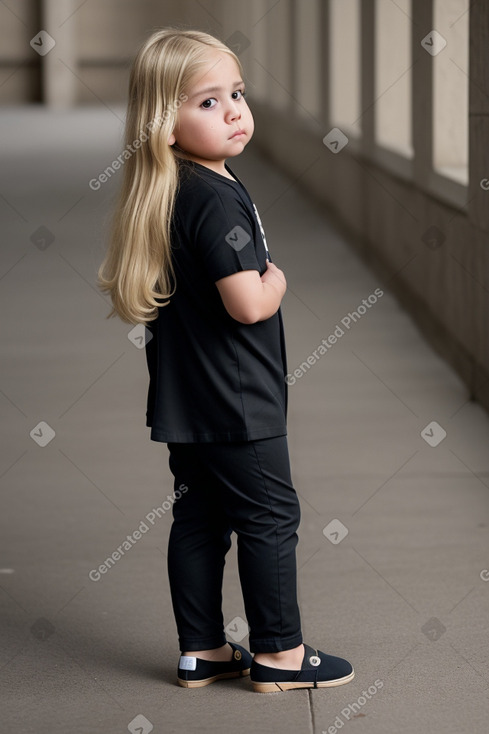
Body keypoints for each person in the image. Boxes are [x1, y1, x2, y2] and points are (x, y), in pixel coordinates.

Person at [98, 27, 354, 693]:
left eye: (235, 93)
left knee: (200, 518)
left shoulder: (173, 185)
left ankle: (203, 650)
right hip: (238, 400)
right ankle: (279, 655)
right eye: (206, 102)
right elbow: (246, 303)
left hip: (188, 397)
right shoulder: (213, 198)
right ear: (164, 123)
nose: (234, 110)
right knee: (271, 517)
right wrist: (276, 281)